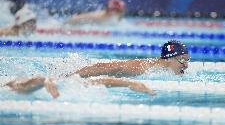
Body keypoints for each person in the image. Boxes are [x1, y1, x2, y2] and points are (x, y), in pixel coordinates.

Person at [5, 40, 190, 98]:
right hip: (79, 75)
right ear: (169, 58)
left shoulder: (161, 70)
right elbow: (103, 68)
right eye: (183, 60)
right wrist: (68, 76)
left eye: (187, 60)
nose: (186, 65)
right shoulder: (141, 68)